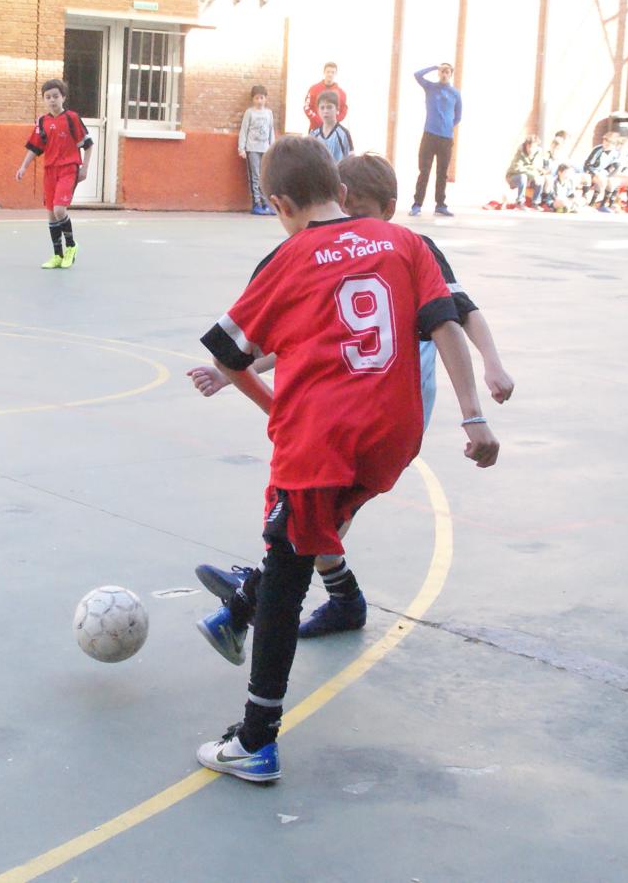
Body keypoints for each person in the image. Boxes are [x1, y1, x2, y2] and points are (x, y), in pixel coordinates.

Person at [191, 136, 499, 783]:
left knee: (284, 573)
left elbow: (228, 355)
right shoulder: (402, 244)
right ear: (337, 186)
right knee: (300, 542)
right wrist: (472, 416)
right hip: (389, 439)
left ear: (278, 201)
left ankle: (254, 740)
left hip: (320, 440)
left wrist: (275, 407)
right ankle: (259, 603)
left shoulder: (287, 257)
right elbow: (445, 323)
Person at [16, 79, 93, 268]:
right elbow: (35, 147)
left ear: (63, 97)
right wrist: (23, 166)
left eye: (56, 96)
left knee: (60, 210)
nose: (52, 100)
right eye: (48, 97)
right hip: (50, 170)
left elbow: (88, 145)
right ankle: (57, 255)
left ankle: (71, 247)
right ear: (44, 100)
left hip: (69, 168)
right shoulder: (42, 122)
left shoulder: (71, 118)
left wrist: (84, 168)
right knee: (51, 215)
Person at [410, 63, 462, 218]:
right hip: (429, 135)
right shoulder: (430, 87)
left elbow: (458, 116)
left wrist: (447, 126)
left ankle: (440, 205)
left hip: (446, 138)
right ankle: (417, 204)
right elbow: (417, 74)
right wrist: (433, 67)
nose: (444, 74)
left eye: (447, 71)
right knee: (424, 171)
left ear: (451, 74)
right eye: (442, 71)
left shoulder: (455, 93)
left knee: (442, 173)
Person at [238, 85, 276, 216]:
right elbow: (244, 130)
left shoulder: (269, 113)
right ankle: (256, 204)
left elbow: (271, 131)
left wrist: (273, 147)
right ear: (252, 99)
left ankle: (266, 204)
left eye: (262, 98)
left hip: (265, 148)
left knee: (264, 176)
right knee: (255, 176)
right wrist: (241, 148)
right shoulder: (250, 113)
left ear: (265, 99)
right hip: (252, 148)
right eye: (257, 98)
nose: (259, 100)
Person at [582, 133, 626, 214]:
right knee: (601, 180)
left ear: (614, 144)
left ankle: (603, 205)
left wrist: (609, 177)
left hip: (603, 173)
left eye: (609, 143)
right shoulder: (598, 150)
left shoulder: (616, 153)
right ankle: (591, 204)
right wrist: (595, 174)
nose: (605, 144)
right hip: (593, 171)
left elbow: (616, 167)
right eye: (605, 142)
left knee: (613, 182)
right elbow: (587, 165)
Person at [308, 91, 354, 164]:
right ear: (318, 110)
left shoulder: (343, 134)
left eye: (329, 107)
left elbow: (351, 161)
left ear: (337, 109)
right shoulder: (314, 134)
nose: (325, 111)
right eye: (322, 108)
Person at [303, 61, 348, 131]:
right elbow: (307, 107)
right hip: (315, 129)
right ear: (324, 72)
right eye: (328, 72)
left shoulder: (341, 93)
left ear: (336, 74)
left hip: (332, 131)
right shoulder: (313, 89)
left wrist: (334, 121)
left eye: (333, 72)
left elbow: (344, 109)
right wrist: (317, 120)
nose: (330, 74)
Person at [506, 135, 546, 210]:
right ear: (526, 145)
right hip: (514, 177)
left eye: (533, 147)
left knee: (540, 178)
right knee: (523, 177)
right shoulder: (520, 152)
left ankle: (535, 203)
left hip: (529, 177)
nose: (531, 149)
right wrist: (533, 174)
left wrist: (536, 175)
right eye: (529, 147)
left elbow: (537, 167)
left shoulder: (538, 153)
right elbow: (517, 168)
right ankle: (520, 203)